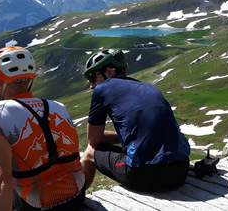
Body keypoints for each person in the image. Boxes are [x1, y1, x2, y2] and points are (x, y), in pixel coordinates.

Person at [0, 46, 85, 211]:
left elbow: (1, 180)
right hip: (77, 196)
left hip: (36, 205)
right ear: (29, 79)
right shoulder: (59, 107)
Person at [80, 49, 191, 191]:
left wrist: (122, 137)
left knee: (90, 152)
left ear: (109, 72)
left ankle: (79, 200)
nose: (91, 85)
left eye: (92, 78)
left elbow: (94, 140)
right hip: (181, 170)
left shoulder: (102, 89)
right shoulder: (149, 87)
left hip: (144, 175)